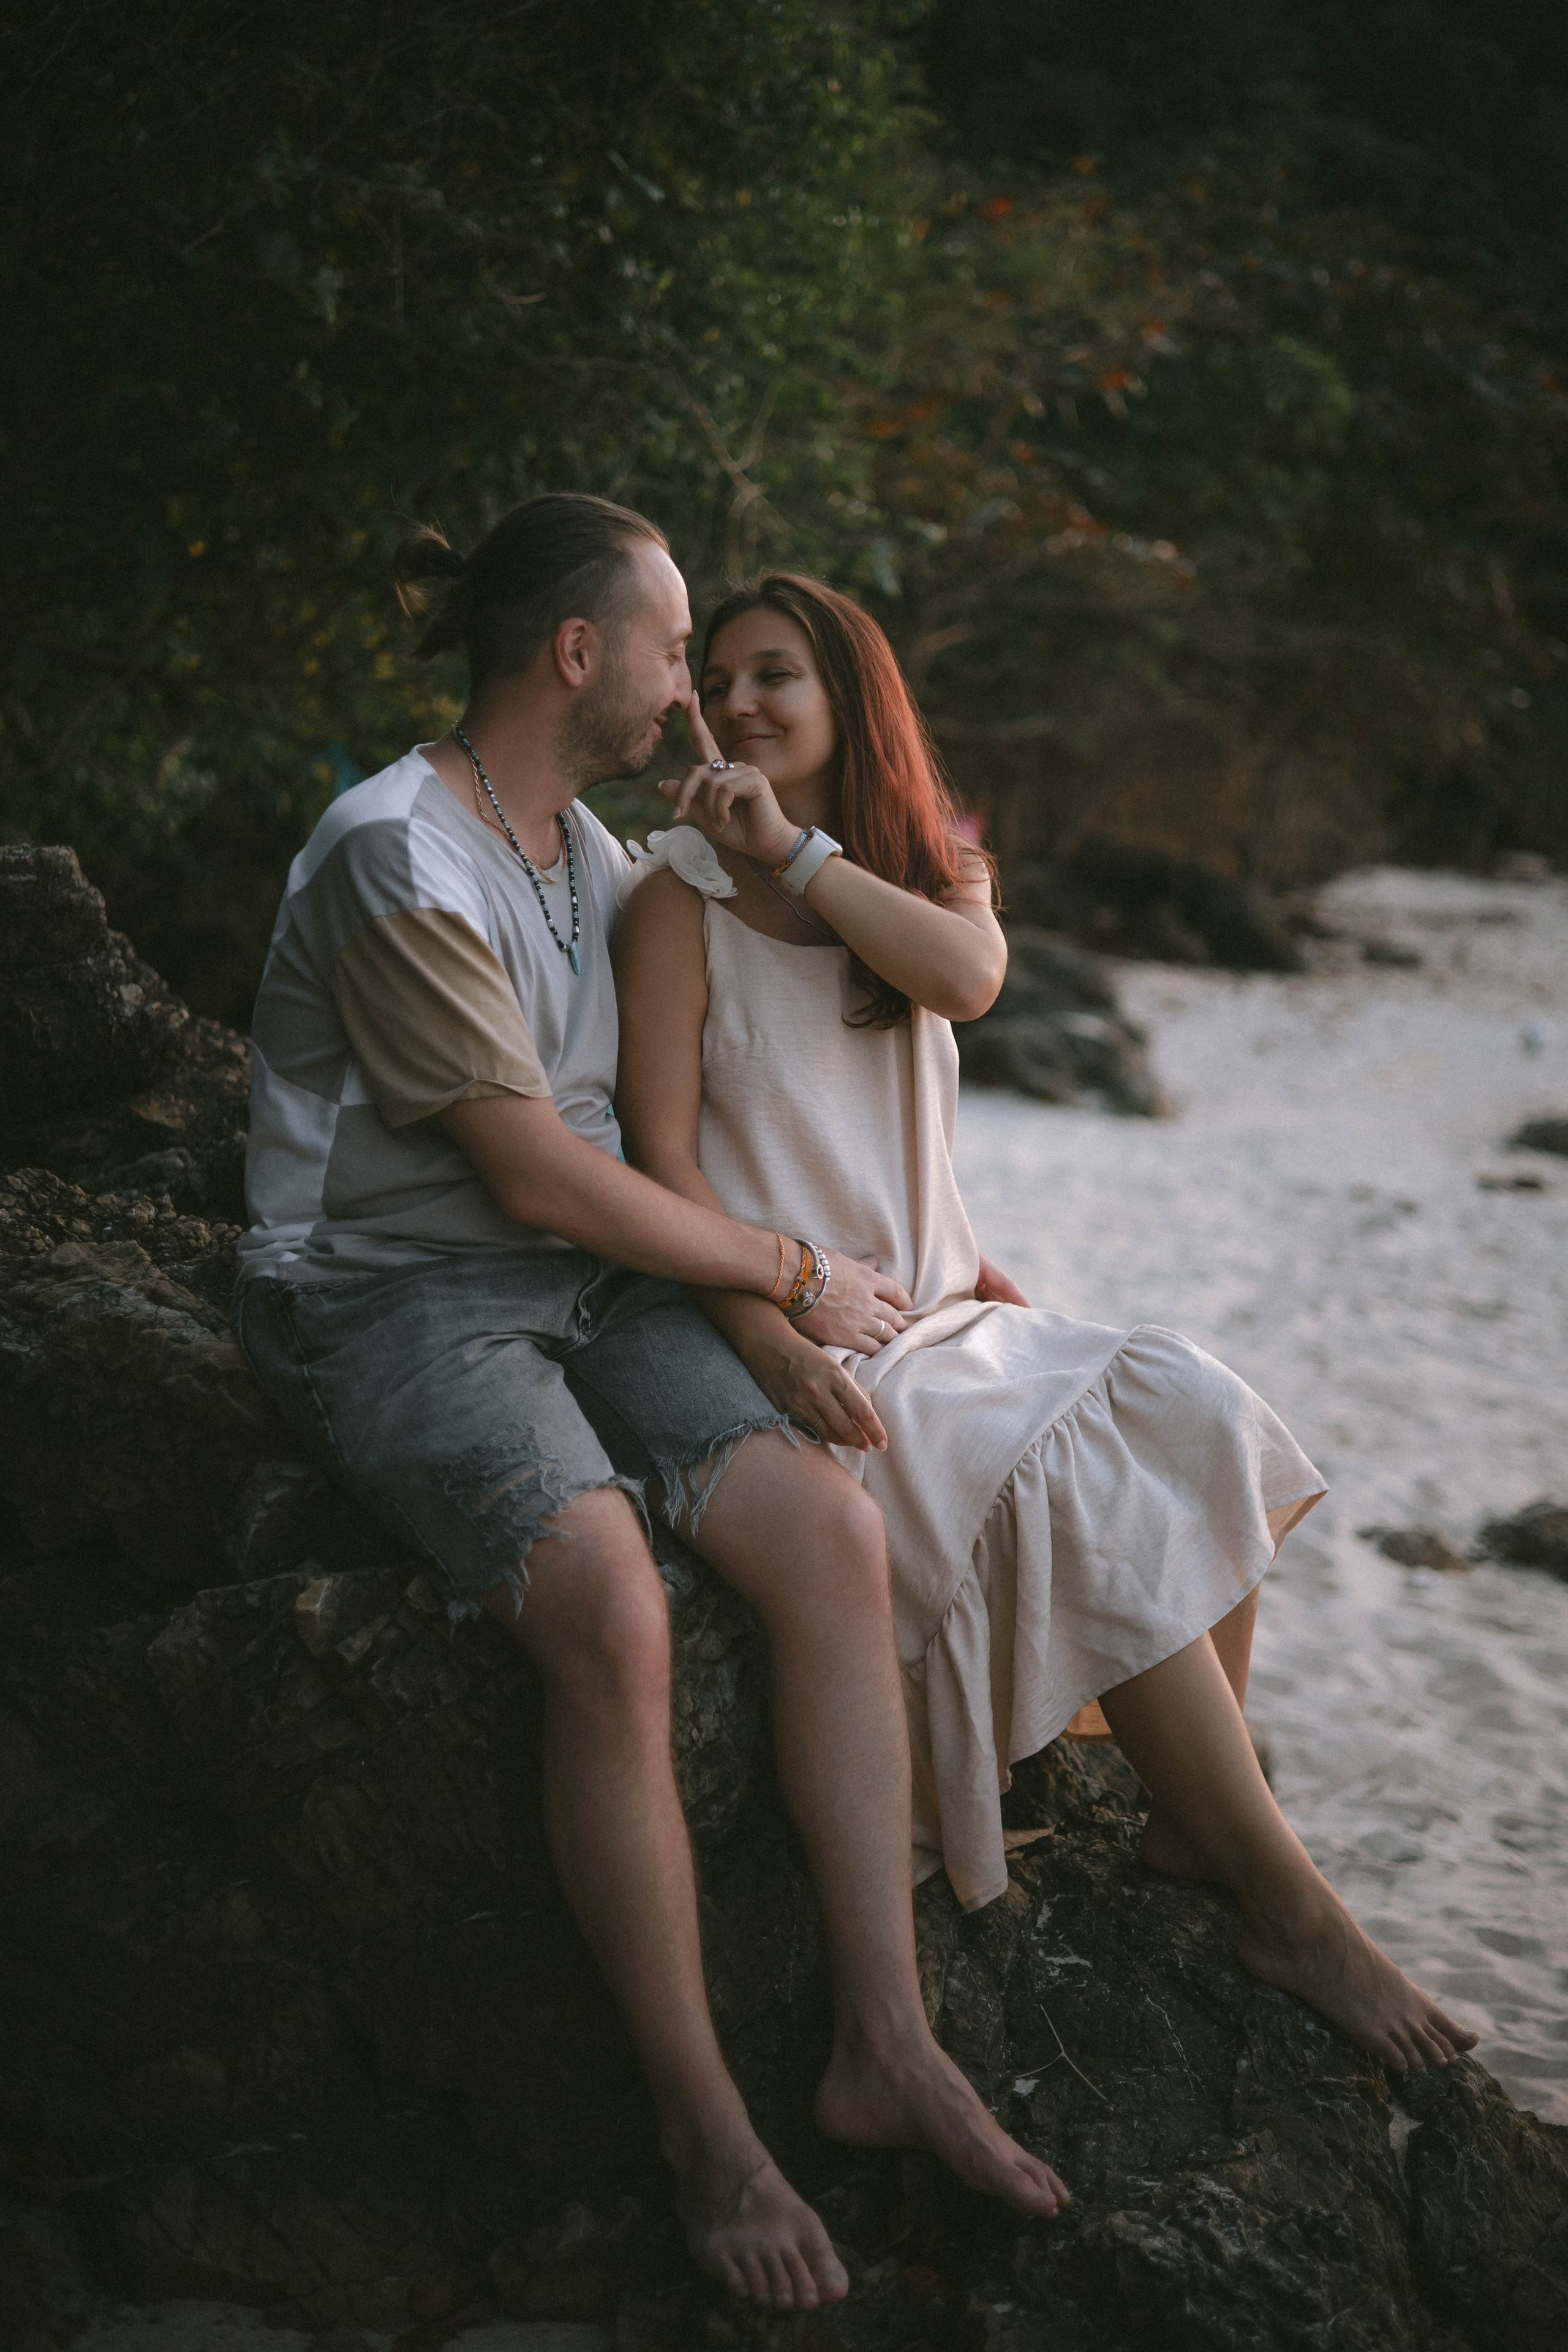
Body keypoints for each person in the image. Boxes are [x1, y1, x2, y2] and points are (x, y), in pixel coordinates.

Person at [231, 496, 1077, 2318]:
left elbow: (756, 1008)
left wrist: (946, 1245)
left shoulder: (594, 857)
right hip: (387, 1299)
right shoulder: (401, 856)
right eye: (677, 646)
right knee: (613, 1610)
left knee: (828, 1536)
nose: (694, 684)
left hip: (589, 1288)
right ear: (576, 654)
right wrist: (779, 1278)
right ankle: (708, 2134)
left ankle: (886, 2042)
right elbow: (534, 1178)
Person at [612, 570, 1480, 2081]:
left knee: (1191, 1395)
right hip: (818, 1330)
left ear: (846, 705)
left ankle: (1188, 1830)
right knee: (1072, 1486)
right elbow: (660, 1166)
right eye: (723, 679)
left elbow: (967, 979)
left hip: (947, 1311)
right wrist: (760, 1327)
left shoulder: (921, 870)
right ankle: (1290, 1903)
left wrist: (798, 854)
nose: (739, 705)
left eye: (776, 678)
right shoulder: (673, 902)